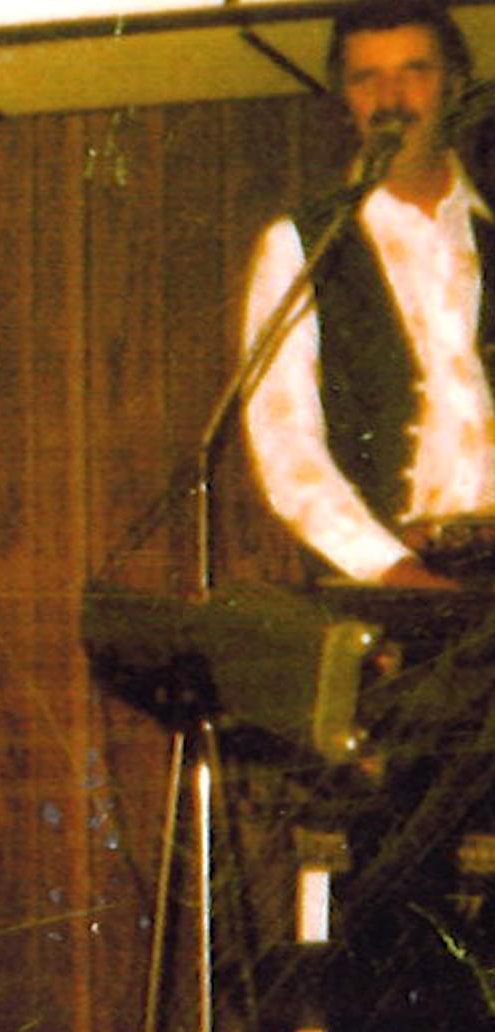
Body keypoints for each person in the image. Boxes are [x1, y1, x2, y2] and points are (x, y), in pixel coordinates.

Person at [241, 0, 489, 590]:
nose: (392, 99)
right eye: (366, 77)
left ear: (454, 86)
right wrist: (387, 568)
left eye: (415, 71)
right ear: (344, 98)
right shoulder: (304, 245)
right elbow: (284, 440)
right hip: (388, 578)